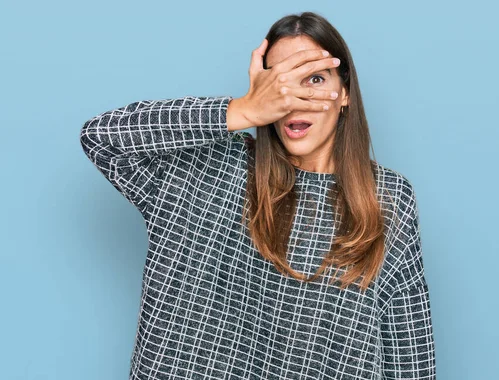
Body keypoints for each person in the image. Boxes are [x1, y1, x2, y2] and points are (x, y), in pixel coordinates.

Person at [80, 11, 435, 380]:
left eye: (314, 78)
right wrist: (244, 109)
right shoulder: (214, 167)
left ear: (344, 92)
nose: (294, 98)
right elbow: (102, 139)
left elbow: (409, 348)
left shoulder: (388, 198)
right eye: (280, 81)